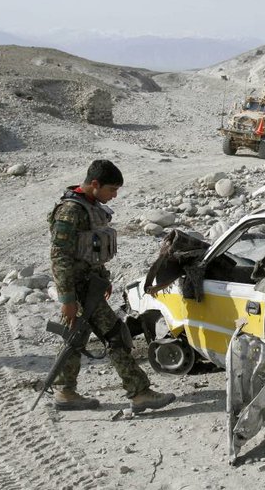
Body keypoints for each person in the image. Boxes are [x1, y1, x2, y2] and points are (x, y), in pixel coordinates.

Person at [48, 160, 175, 412]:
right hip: (79, 290)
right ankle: (139, 393)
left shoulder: (90, 207)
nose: (114, 195)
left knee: (76, 339)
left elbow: (90, 250)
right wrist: (67, 299)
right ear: (95, 184)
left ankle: (65, 392)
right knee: (116, 335)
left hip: (91, 286)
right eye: (111, 190)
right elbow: (59, 256)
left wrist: (103, 276)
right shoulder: (70, 211)